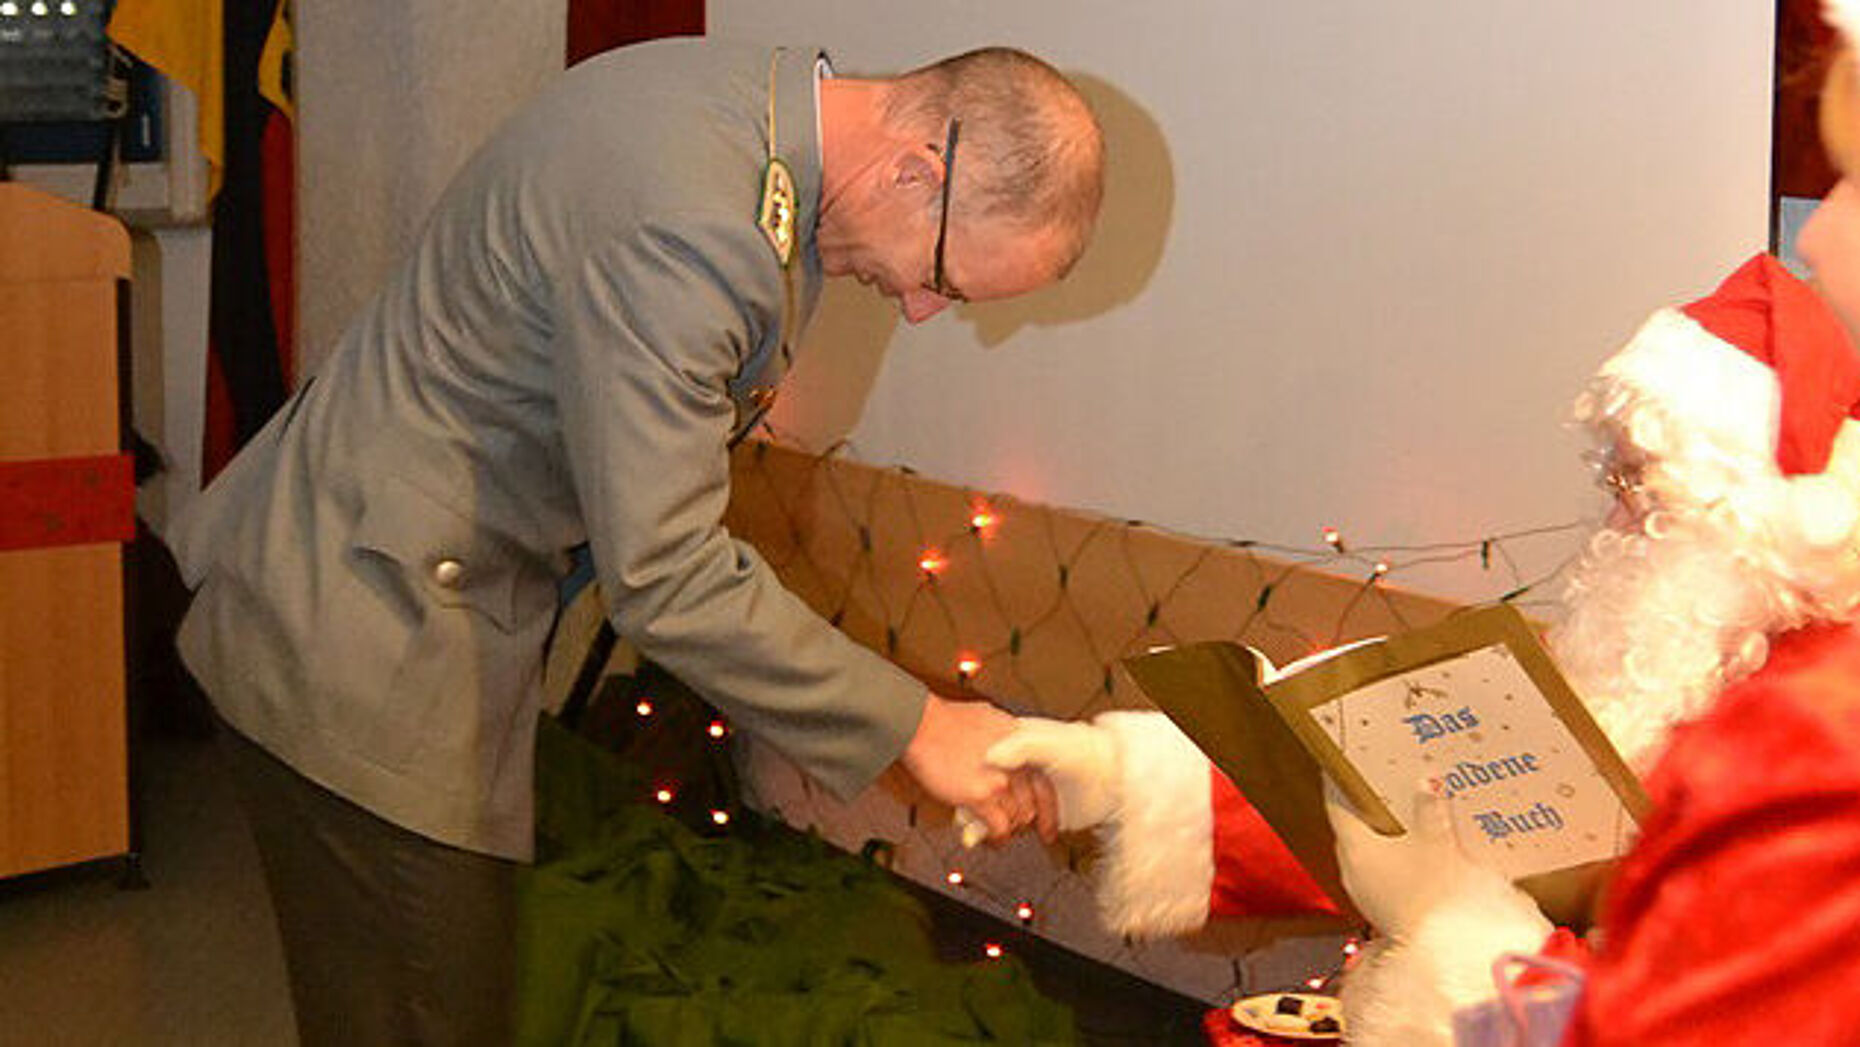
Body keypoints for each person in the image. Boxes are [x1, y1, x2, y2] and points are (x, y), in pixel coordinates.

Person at [169, 38, 1103, 1045]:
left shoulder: (746, 105)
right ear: (915, 170)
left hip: (384, 582)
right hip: (363, 629)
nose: (919, 310)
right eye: (944, 282)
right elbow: (665, 576)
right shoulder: (698, 224)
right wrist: (918, 728)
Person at [987, 21, 1860, 1047]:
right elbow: (1397, 818)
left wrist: (1463, 940)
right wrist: (1118, 777)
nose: (1617, 508)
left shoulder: (1804, 747)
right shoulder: (1657, 684)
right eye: (1616, 472)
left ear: (1752, 517)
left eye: (1651, 482)